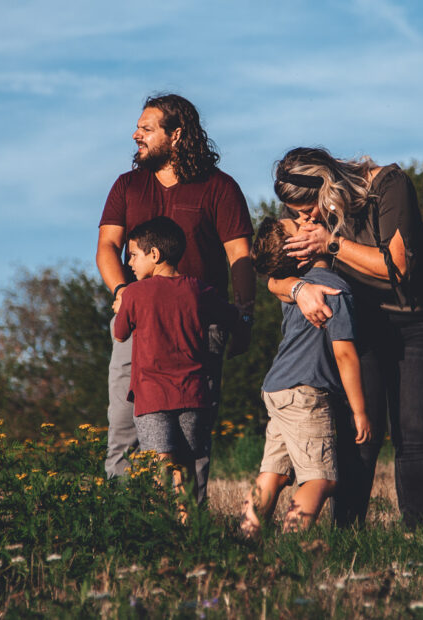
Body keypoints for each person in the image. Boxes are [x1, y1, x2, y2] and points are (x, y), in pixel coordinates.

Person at [268, 147, 423, 529]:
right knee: (358, 434)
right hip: (361, 327)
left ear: (325, 187)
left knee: (413, 431)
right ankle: (344, 535)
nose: (303, 221)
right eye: (296, 214)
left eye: (306, 211)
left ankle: (416, 536)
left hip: (417, 323)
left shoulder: (389, 186)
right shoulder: (303, 211)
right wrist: (299, 290)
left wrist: (330, 244)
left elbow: (397, 266)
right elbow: (273, 276)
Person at [96, 94, 255, 502]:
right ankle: (126, 525)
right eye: (138, 127)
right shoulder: (127, 185)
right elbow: (107, 247)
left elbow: (240, 256)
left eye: (147, 129)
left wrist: (243, 316)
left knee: (192, 439)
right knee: (125, 429)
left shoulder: (219, 187)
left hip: (198, 329)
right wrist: (121, 291)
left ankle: (189, 534)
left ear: (177, 134)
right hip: (137, 325)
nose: (136, 135)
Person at [240, 216, 371, 536]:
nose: (308, 221)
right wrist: (359, 410)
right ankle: (292, 548)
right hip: (305, 393)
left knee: (274, 474)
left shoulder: (298, 290)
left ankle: (245, 538)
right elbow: (344, 354)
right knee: (320, 479)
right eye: (298, 228)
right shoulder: (334, 288)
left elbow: (276, 283)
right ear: (301, 252)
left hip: (278, 389)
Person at [113, 217, 240, 507]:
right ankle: (189, 524)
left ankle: (164, 526)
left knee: (161, 464)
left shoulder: (134, 293)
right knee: (189, 464)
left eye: (133, 255)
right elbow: (231, 316)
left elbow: (120, 335)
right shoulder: (197, 289)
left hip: (151, 394)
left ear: (154, 255)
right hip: (192, 393)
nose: (129, 263)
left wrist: (121, 305)